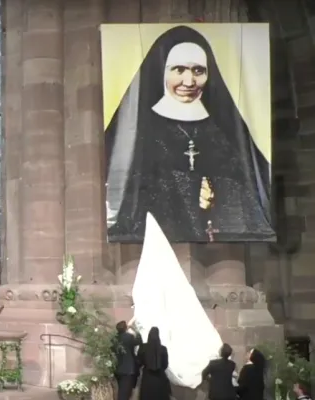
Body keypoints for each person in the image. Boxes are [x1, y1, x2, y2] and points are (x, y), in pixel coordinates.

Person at [104, 25, 273, 242]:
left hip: (216, 246)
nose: (189, 81)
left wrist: (217, 194)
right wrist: (190, 189)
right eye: (179, 70)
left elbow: (246, 189)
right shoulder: (138, 128)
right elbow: (128, 191)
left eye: (198, 71)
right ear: (162, 71)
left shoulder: (221, 127)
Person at [137, 327, 170, 400]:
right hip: (160, 377)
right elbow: (165, 364)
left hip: (147, 377)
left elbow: (139, 362)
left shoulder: (143, 347)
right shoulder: (163, 349)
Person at [114, 320, 142, 400]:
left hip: (117, 368)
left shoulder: (114, 339)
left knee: (121, 391)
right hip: (128, 370)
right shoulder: (129, 337)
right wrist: (135, 329)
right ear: (126, 328)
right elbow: (139, 341)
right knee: (124, 394)